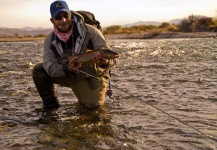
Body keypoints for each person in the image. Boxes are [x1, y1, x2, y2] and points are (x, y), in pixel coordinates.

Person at [32, 0, 116, 110]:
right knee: (39, 70)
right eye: (58, 17)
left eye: (66, 16)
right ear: (52, 21)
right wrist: (67, 69)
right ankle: (51, 109)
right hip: (69, 73)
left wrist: (105, 62)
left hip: (92, 77)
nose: (64, 20)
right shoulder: (50, 40)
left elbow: (113, 60)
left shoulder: (92, 32)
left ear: (70, 15)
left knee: (92, 111)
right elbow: (49, 67)